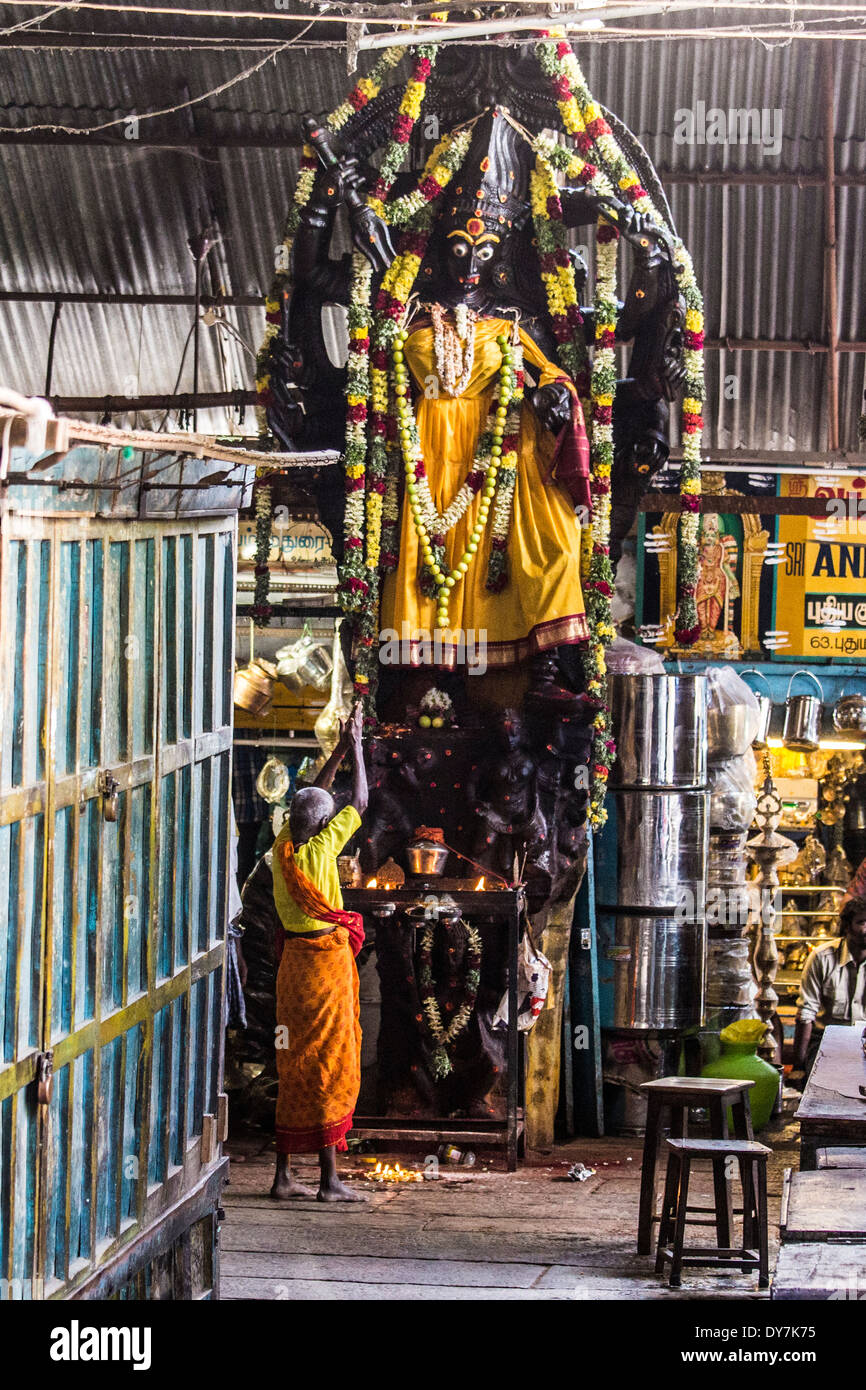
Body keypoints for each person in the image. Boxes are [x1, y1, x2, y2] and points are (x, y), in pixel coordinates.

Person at [270, 703, 369, 1202]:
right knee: (328, 1061)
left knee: (293, 1061)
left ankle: (283, 1175)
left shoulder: (281, 848)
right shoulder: (323, 848)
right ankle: (329, 1180)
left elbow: (316, 796)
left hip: (293, 972)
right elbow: (361, 800)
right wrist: (357, 749)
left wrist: (336, 751)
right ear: (325, 823)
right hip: (324, 969)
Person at [791, 894, 866, 1086]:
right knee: (824, 1084)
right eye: (862, 922)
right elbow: (806, 1013)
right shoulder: (821, 957)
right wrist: (798, 1066)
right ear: (847, 926)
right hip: (827, 1042)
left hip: (864, 1041)